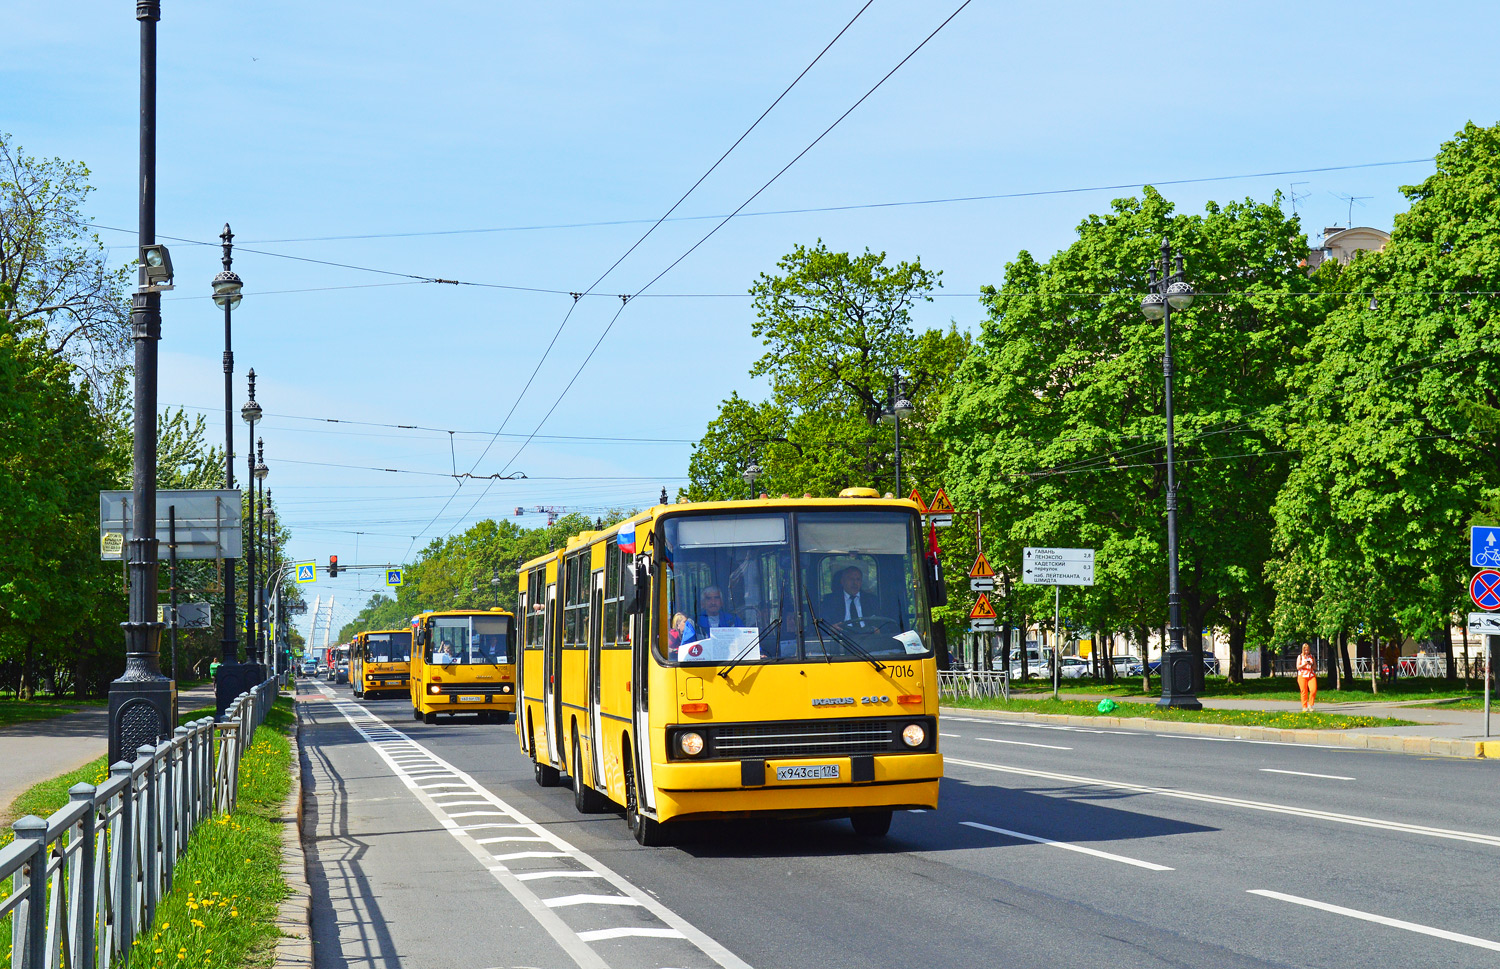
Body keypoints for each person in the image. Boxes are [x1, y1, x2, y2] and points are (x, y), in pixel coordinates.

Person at [1296, 642, 1317, 711]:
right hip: (1302, 675)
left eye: (1307, 650)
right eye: (1305, 650)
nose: (1306, 651)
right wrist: (1304, 664)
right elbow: (1298, 667)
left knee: (1313, 690)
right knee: (1304, 691)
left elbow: (1315, 667)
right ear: (1303, 650)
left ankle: (1310, 705)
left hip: (1311, 675)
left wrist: (1311, 664)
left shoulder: (1312, 656)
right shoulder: (1300, 657)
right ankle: (1304, 706)